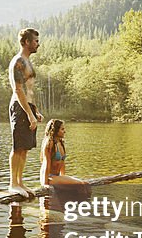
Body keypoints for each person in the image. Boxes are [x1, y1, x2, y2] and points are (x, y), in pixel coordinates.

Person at [8, 28, 42, 195]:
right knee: (18, 146)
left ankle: (20, 183)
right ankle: (13, 184)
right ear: (26, 42)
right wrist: (29, 113)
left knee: (25, 147)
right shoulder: (19, 62)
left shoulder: (27, 61)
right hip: (19, 107)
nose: (38, 43)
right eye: (35, 41)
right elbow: (18, 90)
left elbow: (29, 90)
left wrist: (35, 110)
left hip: (28, 106)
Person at [40, 119, 90, 208]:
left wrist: (64, 178)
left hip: (57, 177)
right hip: (49, 177)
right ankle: (81, 208)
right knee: (81, 186)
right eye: (62, 129)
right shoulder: (50, 143)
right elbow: (46, 163)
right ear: (55, 130)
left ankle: (79, 207)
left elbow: (62, 163)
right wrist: (45, 183)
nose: (65, 131)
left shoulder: (60, 142)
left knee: (86, 184)